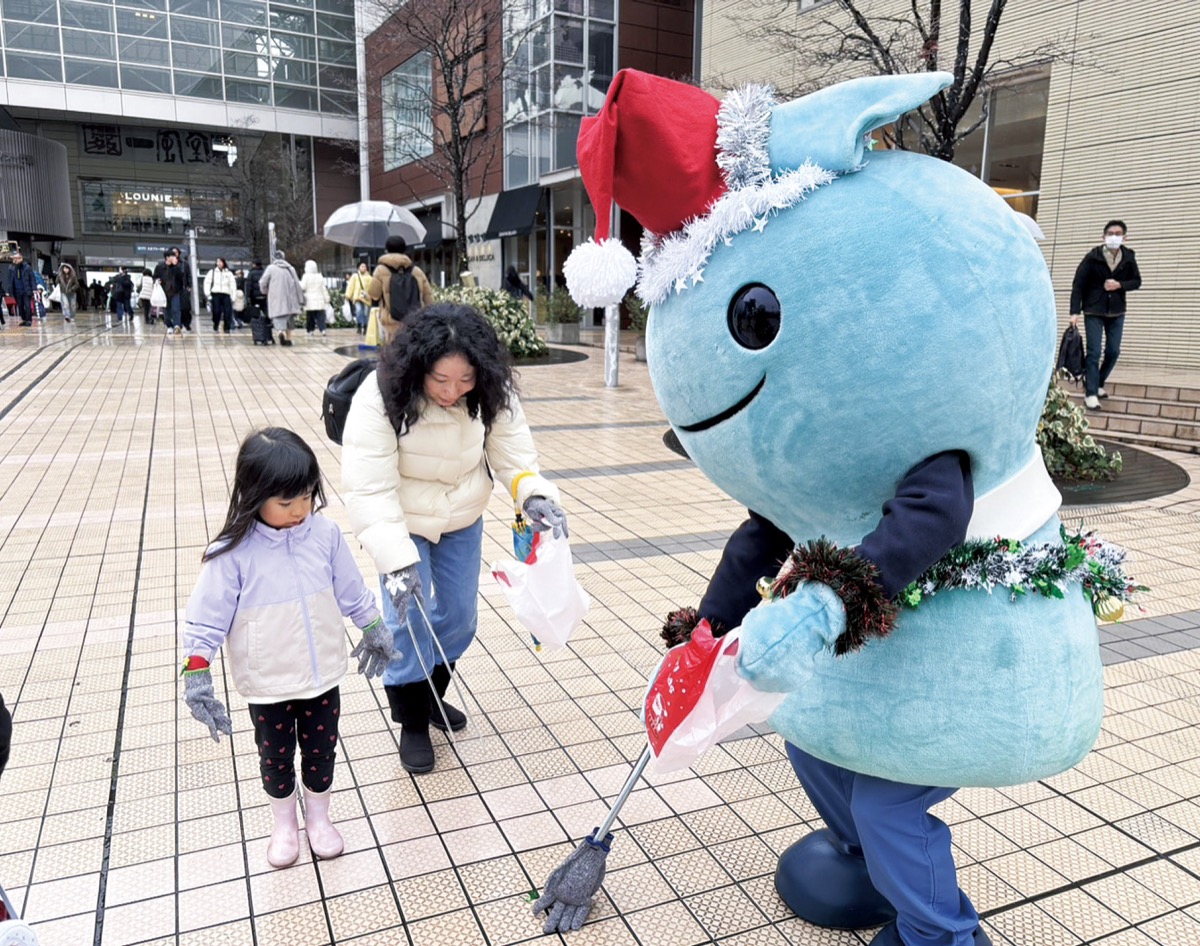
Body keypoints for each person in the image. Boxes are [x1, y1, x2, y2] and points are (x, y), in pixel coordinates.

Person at [341, 304, 568, 774]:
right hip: (401, 523)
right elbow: (370, 489)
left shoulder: (487, 389)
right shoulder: (380, 395)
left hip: (463, 516)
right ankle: (412, 721)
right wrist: (396, 561)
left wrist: (532, 493)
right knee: (407, 620)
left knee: (461, 616)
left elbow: (513, 454)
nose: (452, 392)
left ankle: (428, 695)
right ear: (419, 366)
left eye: (463, 381)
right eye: (441, 380)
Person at [180, 427, 396, 868]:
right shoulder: (231, 553)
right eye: (286, 502)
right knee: (275, 757)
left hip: (322, 677)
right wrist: (197, 672)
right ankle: (284, 824)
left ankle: (318, 819)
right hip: (268, 683)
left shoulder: (325, 535)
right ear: (254, 495)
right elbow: (206, 617)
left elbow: (351, 589)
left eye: (307, 497)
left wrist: (373, 625)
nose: (300, 510)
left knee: (321, 750)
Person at [1070, 220, 1142, 410]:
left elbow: (1136, 281)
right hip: (1094, 310)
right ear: (1103, 236)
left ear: (1125, 237)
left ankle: (1098, 382)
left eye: (1118, 233)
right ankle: (1091, 393)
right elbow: (1078, 284)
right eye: (1110, 233)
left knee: (1113, 351)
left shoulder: (1128, 257)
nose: (1114, 237)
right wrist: (1074, 312)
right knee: (1093, 351)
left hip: (1117, 311)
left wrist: (1120, 285)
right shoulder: (1092, 257)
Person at [367, 236, 435, 343]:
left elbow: (373, 294)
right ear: (404, 250)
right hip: (414, 322)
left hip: (391, 322)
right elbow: (429, 299)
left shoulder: (381, 270)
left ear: (387, 250)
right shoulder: (416, 271)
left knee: (393, 353)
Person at [258, 250, 303, 347]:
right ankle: (289, 339)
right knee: (289, 321)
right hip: (290, 299)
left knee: (278, 319)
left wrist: (265, 291)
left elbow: (263, 282)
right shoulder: (290, 268)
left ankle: (280, 333)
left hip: (276, 298)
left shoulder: (271, 268)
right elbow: (297, 283)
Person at [157, 251, 186, 335]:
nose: (174, 258)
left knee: (176, 309)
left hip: (175, 291)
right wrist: (157, 280)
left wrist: (176, 266)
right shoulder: (160, 267)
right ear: (167, 257)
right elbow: (155, 276)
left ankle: (177, 325)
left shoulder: (176, 267)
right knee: (166, 310)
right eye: (172, 256)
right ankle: (169, 326)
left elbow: (181, 277)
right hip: (164, 292)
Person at [205, 258, 237, 334]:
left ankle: (227, 327)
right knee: (216, 311)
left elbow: (232, 285)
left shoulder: (229, 273)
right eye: (217, 262)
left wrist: (233, 296)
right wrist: (208, 294)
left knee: (227, 311)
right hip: (216, 293)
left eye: (220, 261)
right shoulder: (212, 272)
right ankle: (216, 323)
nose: (219, 263)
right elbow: (207, 283)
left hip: (226, 294)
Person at [300, 260, 331, 336]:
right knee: (321, 316)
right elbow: (323, 289)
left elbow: (303, 287)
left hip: (310, 300)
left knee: (310, 316)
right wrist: (327, 298)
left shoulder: (306, 276)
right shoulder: (319, 276)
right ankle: (323, 329)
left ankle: (310, 330)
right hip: (319, 300)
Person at [9, 252, 35, 326]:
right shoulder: (12, 268)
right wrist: (10, 289)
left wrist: (34, 289)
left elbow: (32, 278)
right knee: (20, 306)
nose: (14, 261)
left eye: (16, 259)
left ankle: (29, 320)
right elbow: (10, 280)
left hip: (26, 290)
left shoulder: (27, 267)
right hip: (17, 290)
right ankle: (24, 319)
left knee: (27, 306)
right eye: (13, 259)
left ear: (21, 258)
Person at [345, 262, 372, 335]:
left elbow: (371, 289)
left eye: (365, 266)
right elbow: (351, 286)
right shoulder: (355, 276)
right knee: (359, 311)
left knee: (366, 313)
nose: (364, 267)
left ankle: (365, 326)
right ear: (358, 267)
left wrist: (370, 296)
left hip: (366, 298)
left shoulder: (369, 278)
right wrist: (348, 296)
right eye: (362, 266)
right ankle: (360, 326)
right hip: (357, 297)